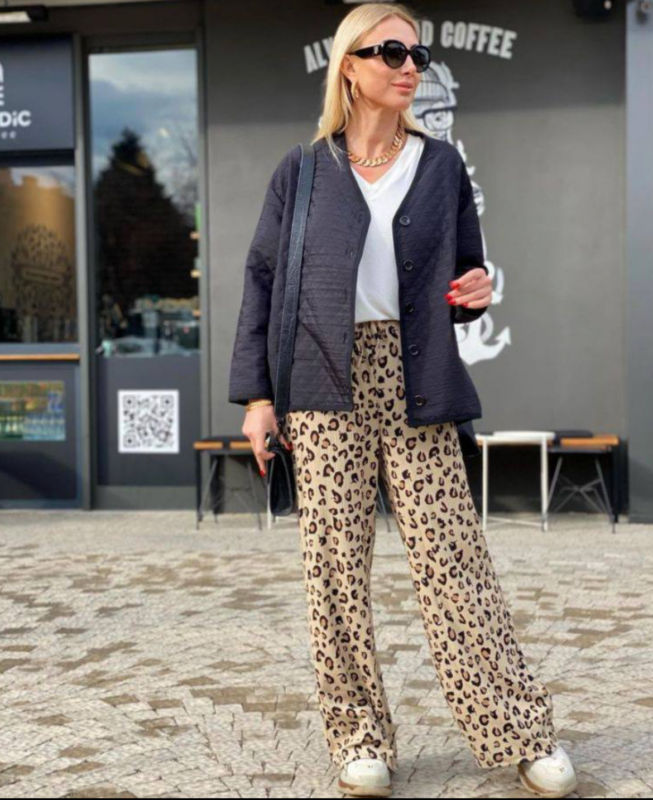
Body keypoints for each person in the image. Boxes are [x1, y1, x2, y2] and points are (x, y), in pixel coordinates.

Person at [228, 4, 578, 798]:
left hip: (416, 377)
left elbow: (465, 277)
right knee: (333, 571)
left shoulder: (439, 164)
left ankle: (519, 731)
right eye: (389, 51)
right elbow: (261, 282)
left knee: (455, 563)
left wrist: (476, 291)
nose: (407, 65)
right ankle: (358, 738)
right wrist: (255, 397)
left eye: (414, 53)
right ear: (349, 66)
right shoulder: (301, 171)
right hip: (321, 383)